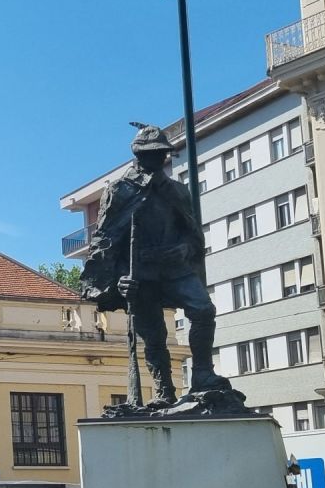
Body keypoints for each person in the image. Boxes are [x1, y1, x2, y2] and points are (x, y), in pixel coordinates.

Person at [81, 124, 228, 406]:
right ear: (138, 156)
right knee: (154, 335)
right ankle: (164, 391)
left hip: (175, 268)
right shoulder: (120, 191)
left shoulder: (177, 191)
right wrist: (118, 279)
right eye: (151, 154)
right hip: (141, 271)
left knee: (203, 309)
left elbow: (194, 236)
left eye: (161, 154)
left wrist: (184, 248)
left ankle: (202, 375)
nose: (157, 159)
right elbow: (106, 240)